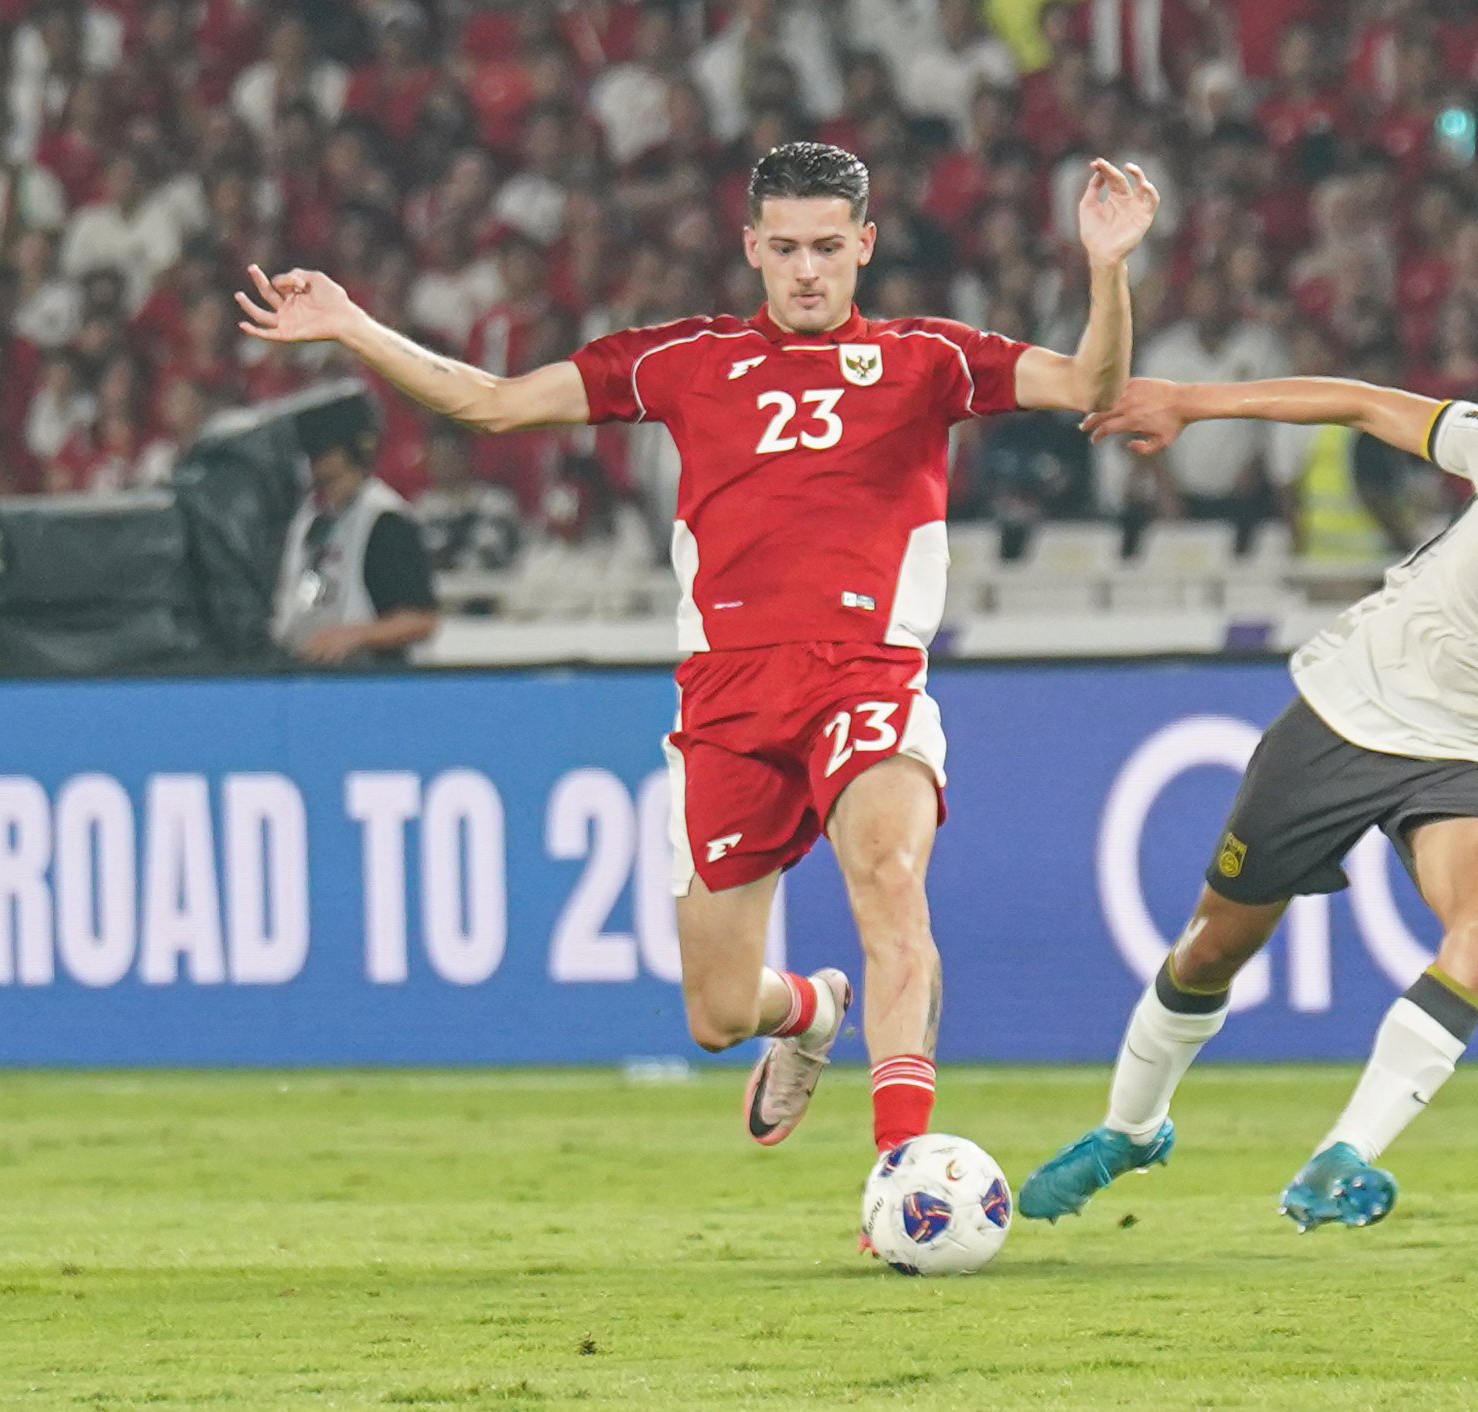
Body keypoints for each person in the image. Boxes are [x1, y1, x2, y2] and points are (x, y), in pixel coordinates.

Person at [234, 141, 1158, 1158]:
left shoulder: (926, 358)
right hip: (726, 700)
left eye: (828, 247)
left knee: (889, 878)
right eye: (787, 247)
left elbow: (1088, 382)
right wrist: (352, 325)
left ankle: (901, 1169)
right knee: (718, 1011)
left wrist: (1106, 269)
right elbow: (488, 403)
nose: (808, 269)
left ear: (865, 246)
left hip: (866, 672)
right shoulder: (683, 360)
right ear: (752, 246)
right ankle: (810, 1010)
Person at [1019, 356, 1478, 1232]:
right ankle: (1130, 1130)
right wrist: (1191, 403)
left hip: (1469, 761)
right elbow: (1363, 402)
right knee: (1213, 949)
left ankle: (1345, 1156)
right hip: (1345, 711)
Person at [271, 395, 440, 665]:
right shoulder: (309, 517)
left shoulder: (384, 520)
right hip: (311, 672)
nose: (311, 461)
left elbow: (420, 620)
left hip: (372, 679)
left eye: (320, 450)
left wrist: (351, 636)